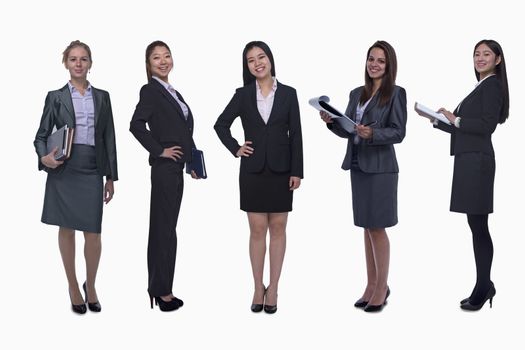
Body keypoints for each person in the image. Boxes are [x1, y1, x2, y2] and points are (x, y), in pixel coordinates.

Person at [418, 39, 509, 311]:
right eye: (476, 54)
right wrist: (437, 119)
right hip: (469, 161)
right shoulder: (481, 86)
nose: (480, 58)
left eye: (486, 54)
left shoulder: (492, 85)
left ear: (498, 60)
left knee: (479, 226)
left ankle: (483, 287)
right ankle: (483, 284)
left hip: (478, 162)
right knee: (476, 226)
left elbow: (486, 126)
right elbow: (464, 128)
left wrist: (454, 119)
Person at [214, 41, 303, 314]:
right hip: (252, 171)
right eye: (251, 60)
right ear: (247, 66)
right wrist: (236, 148)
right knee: (256, 230)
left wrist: (297, 171)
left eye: (261, 57)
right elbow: (220, 124)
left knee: (278, 229)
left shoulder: (288, 93)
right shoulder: (242, 94)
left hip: (281, 171)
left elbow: (296, 134)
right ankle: (257, 287)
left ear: (270, 59)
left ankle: (273, 288)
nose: (257, 63)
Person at [320, 40, 406, 312]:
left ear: (389, 65)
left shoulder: (396, 93)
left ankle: (382, 286)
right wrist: (332, 122)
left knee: (377, 227)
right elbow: (348, 129)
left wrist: (374, 133)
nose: (374, 64)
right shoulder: (357, 92)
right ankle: (370, 284)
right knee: (367, 227)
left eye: (380, 60)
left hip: (381, 168)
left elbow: (399, 131)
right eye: (371, 59)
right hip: (358, 165)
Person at [34, 40, 118, 314]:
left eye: (83, 59)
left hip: (93, 167)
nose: (78, 63)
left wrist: (110, 177)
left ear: (90, 63)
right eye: (73, 59)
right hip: (64, 168)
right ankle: (72, 285)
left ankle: (90, 285)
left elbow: (109, 138)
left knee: (93, 233)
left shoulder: (103, 96)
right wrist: (44, 158)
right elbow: (41, 136)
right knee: (66, 228)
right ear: (66, 63)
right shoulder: (55, 96)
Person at [130, 40, 200, 312]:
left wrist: (192, 161)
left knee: (168, 229)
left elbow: (184, 131)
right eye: (156, 58)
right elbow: (135, 125)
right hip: (164, 170)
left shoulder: (173, 92)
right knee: (163, 230)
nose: (163, 61)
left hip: (176, 169)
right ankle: (161, 292)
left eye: (167, 56)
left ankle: (163, 288)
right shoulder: (150, 90)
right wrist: (159, 151)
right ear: (148, 65)